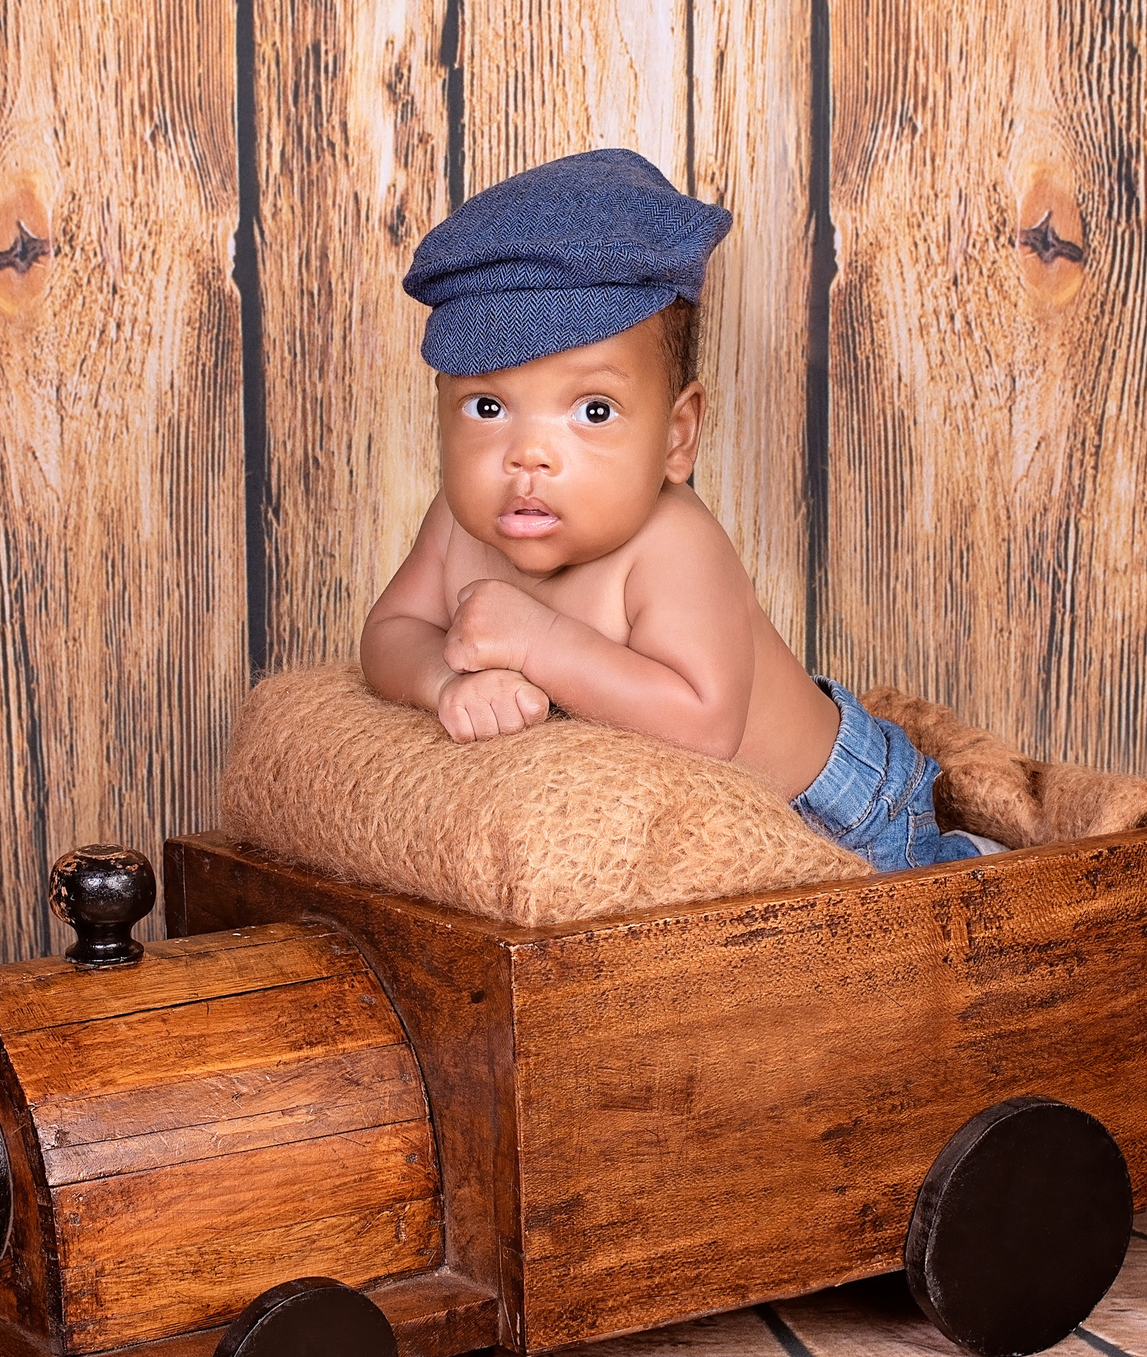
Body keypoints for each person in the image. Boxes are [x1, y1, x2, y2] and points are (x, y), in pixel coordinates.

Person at [360, 148, 1000, 872]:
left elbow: (705, 725)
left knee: (937, 929)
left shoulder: (674, 545)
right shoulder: (456, 522)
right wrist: (445, 682)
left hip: (837, 813)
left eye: (593, 410)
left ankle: (981, 855)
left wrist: (536, 642)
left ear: (677, 434)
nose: (527, 455)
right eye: (487, 406)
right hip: (688, 834)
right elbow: (390, 630)